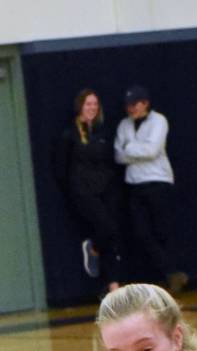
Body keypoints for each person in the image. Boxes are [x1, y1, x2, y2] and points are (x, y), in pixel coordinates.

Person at [114, 86, 188, 294]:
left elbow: (152, 150)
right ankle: (170, 272)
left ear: (145, 103)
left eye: (135, 104)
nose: (131, 109)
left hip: (158, 180)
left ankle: (173, 273)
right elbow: (118, 155)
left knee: (163, 230)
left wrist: (130, 148)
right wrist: (138, 150)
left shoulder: (159, 121)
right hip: (134, 184)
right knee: (141, 232)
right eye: (128, 105)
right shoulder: (124, 125)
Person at [54, 88, 124, 293]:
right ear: (80, 107)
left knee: (111, 236)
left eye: (95, 104)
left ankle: (113, 286)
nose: (92, 108)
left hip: (105, 189)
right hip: (83, 192)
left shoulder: (103, 132)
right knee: (106, 227)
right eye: (88, 104)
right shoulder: (69, 134)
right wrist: (73, 190)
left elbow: (109, 160)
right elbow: (61, 169)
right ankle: (92, 248)